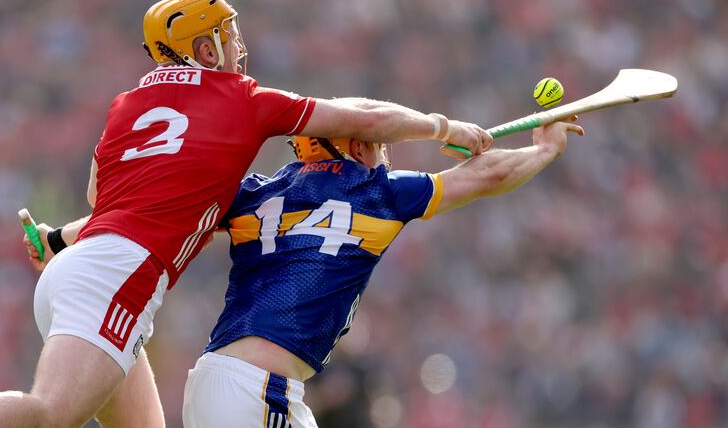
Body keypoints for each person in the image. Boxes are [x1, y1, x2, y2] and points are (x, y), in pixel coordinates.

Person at [0, 0, 491, 428]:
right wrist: (442, 127)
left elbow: (105, 199)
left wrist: (60, 239)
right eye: (227, 36)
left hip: (80, 269)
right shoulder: (243, 100)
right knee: (51, 412)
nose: (237, 47)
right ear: (205, 49)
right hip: (118, 276)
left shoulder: (127, 103)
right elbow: (364, 120)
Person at [183, 118, 584, 427]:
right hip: (258, 390)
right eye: (377, 143)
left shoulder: (259, 191)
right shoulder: (376, 192)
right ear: (357, 147)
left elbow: (185, 207)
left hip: (213, 378)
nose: (384, 154)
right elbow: (487, 175)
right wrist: (545, 149)